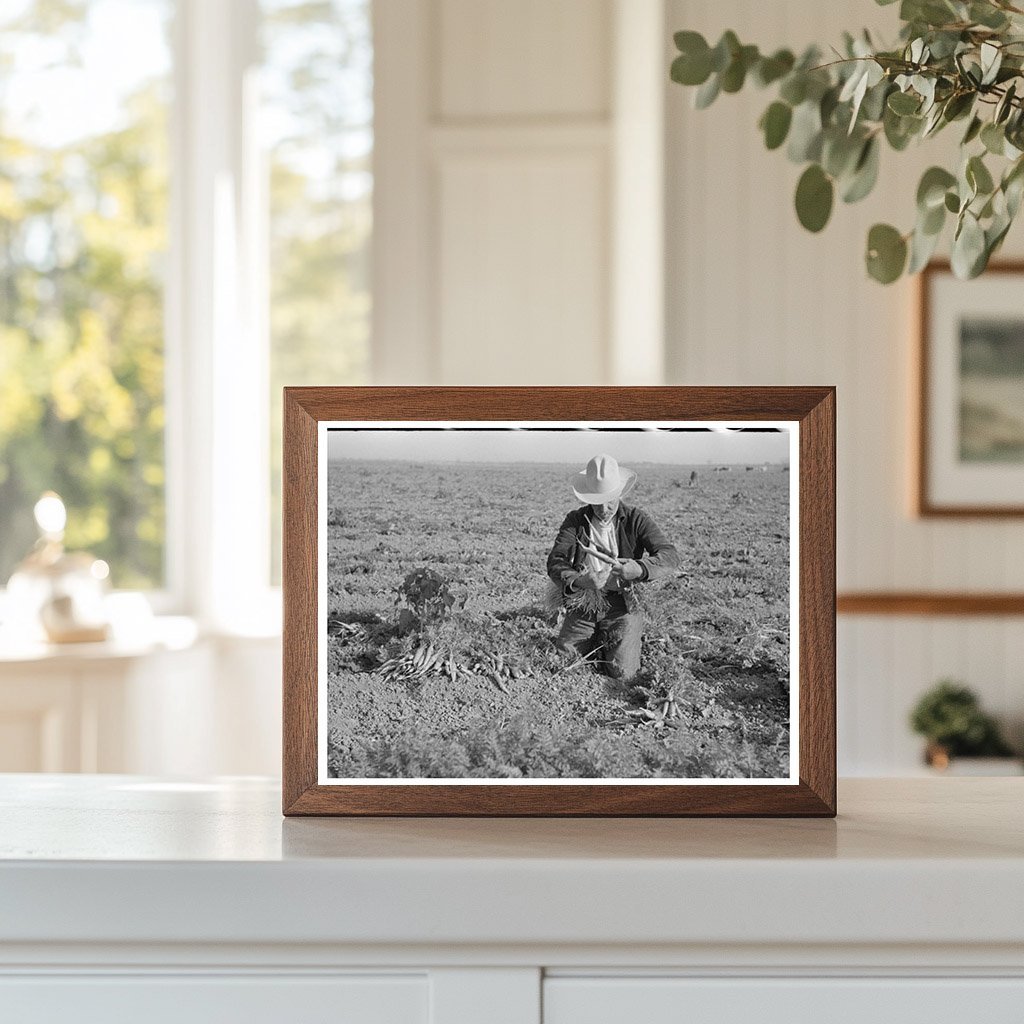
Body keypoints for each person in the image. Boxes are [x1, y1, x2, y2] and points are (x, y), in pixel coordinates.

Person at [547, 453, 680, 682]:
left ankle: (607, 644)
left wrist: (639, 569)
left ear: (619, 493)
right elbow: (555, 561)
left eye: (610, 500)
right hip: (585, 602)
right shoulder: (575, 521)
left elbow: (670, 556)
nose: (604, 508)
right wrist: (580, 581)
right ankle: (597, 642)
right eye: (597, 501)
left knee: (623, 674)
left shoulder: (636, 519)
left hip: (623, 604)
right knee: (563, 663)